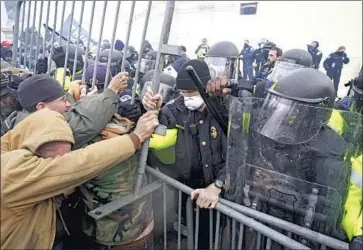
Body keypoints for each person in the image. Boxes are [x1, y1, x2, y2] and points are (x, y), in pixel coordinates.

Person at [224, 68, 352, 249]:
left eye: (296, 109)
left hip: (298, 235)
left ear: (317, 111)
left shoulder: (329, 151)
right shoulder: (284, 134)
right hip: (266, 224)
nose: (288, 115)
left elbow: (325, 211)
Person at [1, 106, 158, 250]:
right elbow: (80, 163)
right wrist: (135, 137)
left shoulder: (10, 150)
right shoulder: (11, 173)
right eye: (56, 159)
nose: (63, 159)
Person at [142, 59, 226, 249]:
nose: (187, 98)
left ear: (205, 88)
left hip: (217, 192)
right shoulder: (174, 109)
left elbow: (237, 154)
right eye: (183, 93)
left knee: (214, 235)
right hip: (187, 191)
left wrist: (218, 185)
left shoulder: (223, 109)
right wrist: (151, 112)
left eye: (192, 93)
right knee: (196, 234)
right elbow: (159, 129)